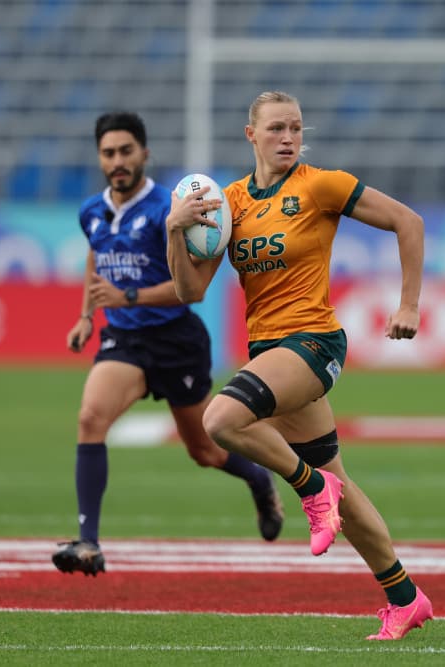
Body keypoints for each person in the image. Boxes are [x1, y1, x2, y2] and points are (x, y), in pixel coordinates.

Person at [165, 91, 432, 640]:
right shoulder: (230, 202)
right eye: (277, 128)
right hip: (270, 354)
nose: (288, 137)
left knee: (219, 422)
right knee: (343, 487)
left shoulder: (321, 184)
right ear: (251, 134)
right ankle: (405, 598)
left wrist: (408, 303)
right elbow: (190, 289)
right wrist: (175, 228)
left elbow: (409, 222)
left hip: (314, 344)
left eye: (296, 128)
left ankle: (308, 488)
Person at [52, 112, 284, 577]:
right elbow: (96, 258)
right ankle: (89, 542)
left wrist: (128, 295)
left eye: (125, 151)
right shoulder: (91, 212)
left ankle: (259, 480)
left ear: (144, 153)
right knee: (90, 418)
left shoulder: (169, 209)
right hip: (124, 340)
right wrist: (86, 314)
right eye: (108, 153)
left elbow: (189, 288)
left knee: (205, 451)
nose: (117, 161)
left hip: (176, 339)